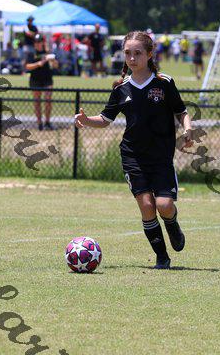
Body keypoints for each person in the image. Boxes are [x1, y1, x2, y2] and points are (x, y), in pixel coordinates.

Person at [73, 31, 194, 269]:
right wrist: (86, 120)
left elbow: (181, 111)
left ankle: (172, 224)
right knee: (147, 207)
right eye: (127, 53)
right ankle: (162, 257)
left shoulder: (164, 83)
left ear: (149, 54)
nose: (132, 58)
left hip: (161, 157)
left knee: (164, 205)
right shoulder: (121, 88)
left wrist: (188, 129)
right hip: (132, 156)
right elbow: (105, 119)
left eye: (137, 53)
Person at [26, 34, 59, 131]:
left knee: (48, 100)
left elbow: (56, 66)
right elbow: (27, 66)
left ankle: (47, 122)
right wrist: (38, 64)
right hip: (35, 79)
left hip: (47, 79)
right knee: (37, 102)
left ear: (42, 42)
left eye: (39, 41)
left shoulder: (48, 52)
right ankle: (39, 123)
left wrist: (53, 60)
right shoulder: (31, 53)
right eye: (36, 42)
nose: (38, 44)